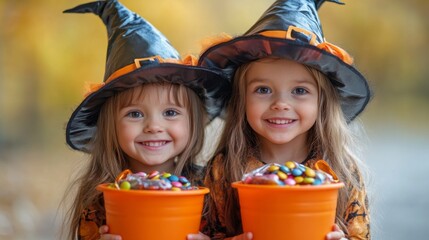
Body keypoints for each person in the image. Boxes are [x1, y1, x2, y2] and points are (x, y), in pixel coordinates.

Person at [190, 0, 372, 239]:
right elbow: (214, 233)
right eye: (263, 90)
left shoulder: (343, 170)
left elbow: (361, 235)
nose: (280, 104)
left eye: (299, 91)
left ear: (322, 102)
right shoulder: (224, 168)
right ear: (242, 100)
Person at [61, 1, 230, 239]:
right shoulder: (102, 202)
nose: (153, 127)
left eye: (170, 113)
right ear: (110, 125)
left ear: (193, 121)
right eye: (135, 114)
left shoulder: (213, 191)